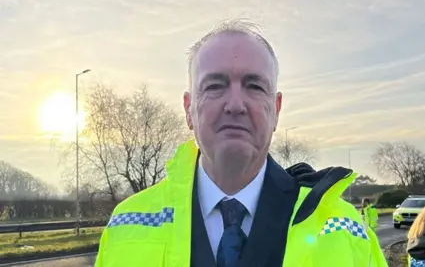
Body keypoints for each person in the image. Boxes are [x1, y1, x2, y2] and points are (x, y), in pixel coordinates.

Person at [94, 19, 387, 267]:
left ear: (277, 109)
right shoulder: (125, 227)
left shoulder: (348, 235)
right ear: (188, 109)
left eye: (254, 86)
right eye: (215, 85)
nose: (235, 104)